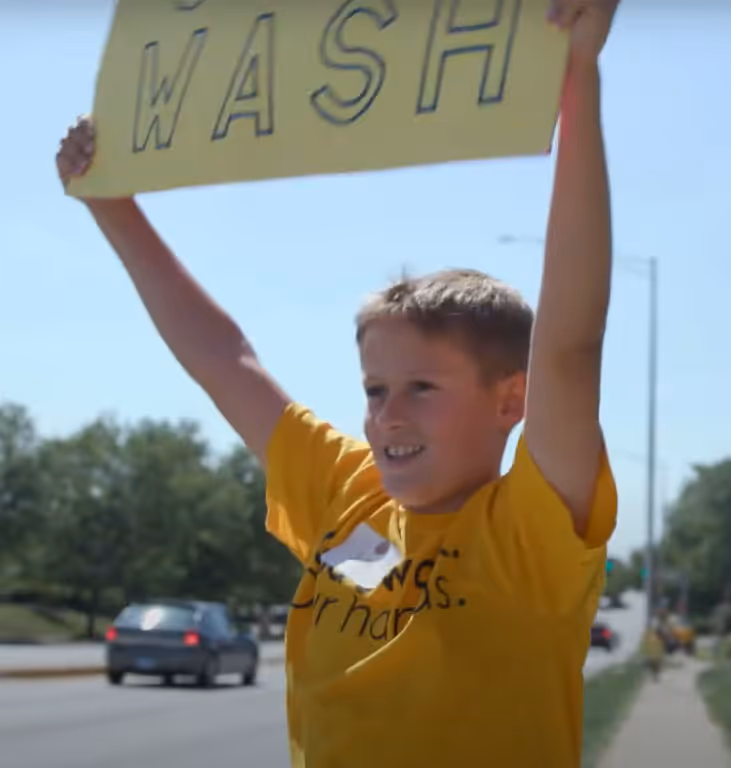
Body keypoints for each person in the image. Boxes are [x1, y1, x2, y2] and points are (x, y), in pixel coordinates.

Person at [56, 1, 620, 766]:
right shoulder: (346, 497)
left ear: (509, 401)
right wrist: (111, 206)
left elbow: (570, 344)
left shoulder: (529, 532)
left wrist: (578, 79)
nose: (387, 415)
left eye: (422, 386)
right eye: (375, 388)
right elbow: (225, 358)